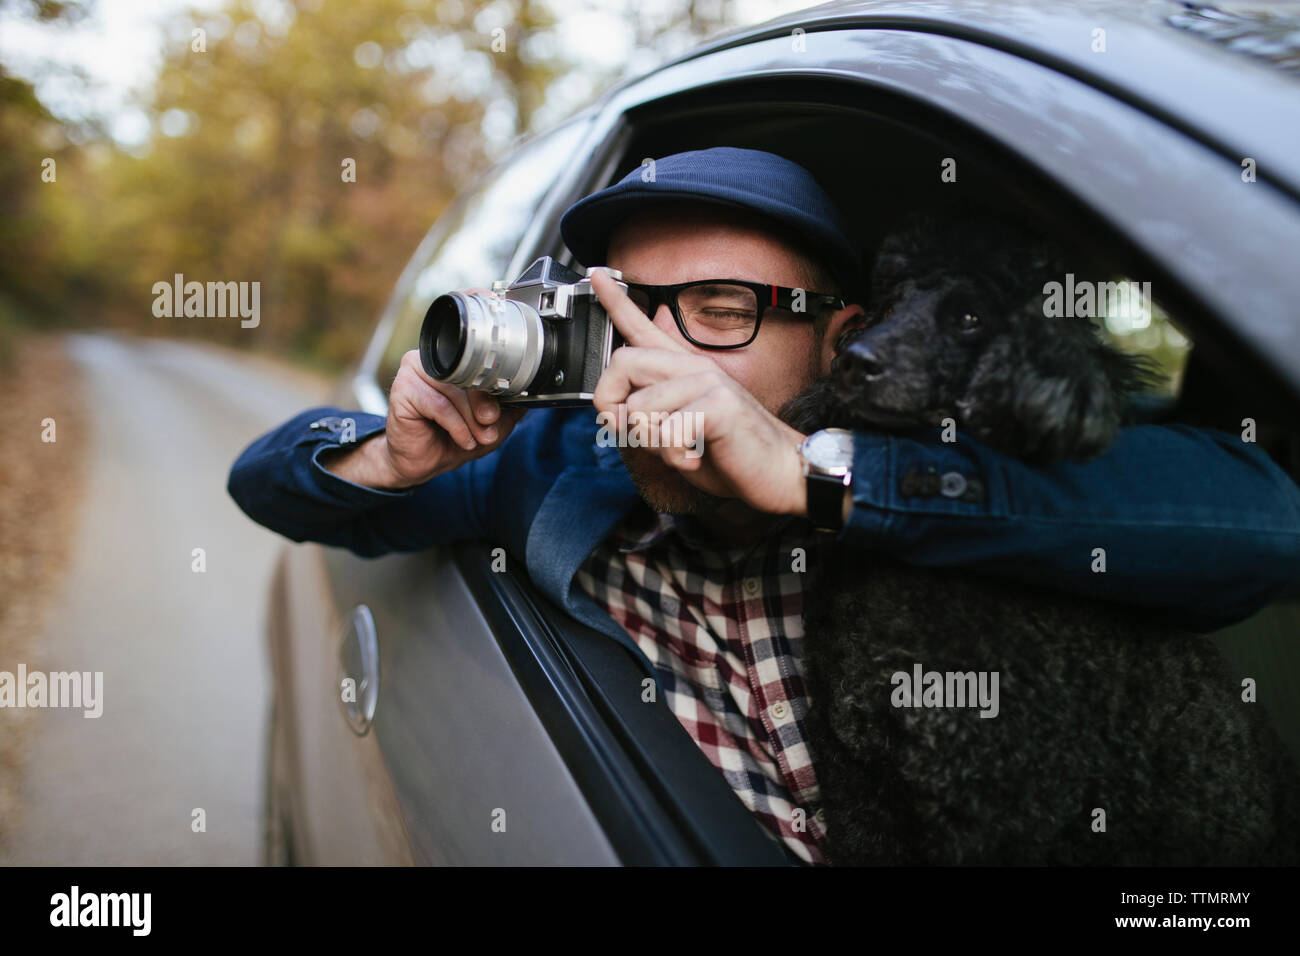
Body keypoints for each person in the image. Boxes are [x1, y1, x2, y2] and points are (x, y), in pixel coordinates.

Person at [228, 146, 1300, 866]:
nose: (661, 354)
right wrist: (388, 451)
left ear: (838, 340)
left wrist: (818, 481)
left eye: (721, 311)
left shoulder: (956, 471)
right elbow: (274, 480)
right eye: (629, 311)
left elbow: (1265, 521)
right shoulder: (556, 458)